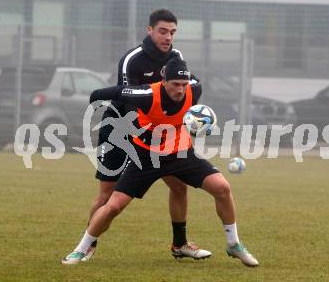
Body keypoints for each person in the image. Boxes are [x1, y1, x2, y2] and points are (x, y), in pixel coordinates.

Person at [62, 58, 259, 267]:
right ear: (164, 81)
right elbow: (107, 94)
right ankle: (81, 249)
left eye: (184, 84)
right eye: (175, 84)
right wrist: (98, 102)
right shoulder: (146, 94)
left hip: (180, 153)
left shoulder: (195, 89)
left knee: (222, 188)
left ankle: (233, 244)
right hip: (147, 157)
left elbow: (194, 84)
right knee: (113, 206)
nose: (181, 90)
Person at [86, 9, 210, 261]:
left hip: (155, 131)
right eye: (163, 31)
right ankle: (88, 245)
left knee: (179, 185)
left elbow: (185, 90)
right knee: (107, 193)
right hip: (119, 127)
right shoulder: (133, 59)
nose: (168, 37)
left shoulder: (176, 57)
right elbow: (127, 99)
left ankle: (180, 244)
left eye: (172, 32)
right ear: (150, 30)